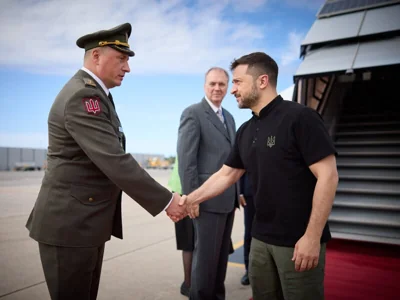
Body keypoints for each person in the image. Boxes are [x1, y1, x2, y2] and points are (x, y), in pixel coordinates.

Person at [25, 23, 186, 300]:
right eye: (122, 59)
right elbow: (114, 160)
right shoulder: (83, 95)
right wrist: (167, 200)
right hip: (71, 226)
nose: (127, 68)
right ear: (97, 56)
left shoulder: (98, 96)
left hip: (84, 223)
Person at [182, 52, 339, 300]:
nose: (232, 90)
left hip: (297, 243)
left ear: (262, 81)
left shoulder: (301, 118)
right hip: (260, 240)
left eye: (237, 82)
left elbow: (328, 177)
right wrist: (192, 198)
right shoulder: (246, 129)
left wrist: (312, 236)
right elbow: (227, 174)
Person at [177, 67, 239, 300]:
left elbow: (232, 160)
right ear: (205, 85)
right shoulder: (193, 114)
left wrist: (238, 192)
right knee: (204, 262)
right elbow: (187, 161)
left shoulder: (230, 118)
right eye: (212, 84)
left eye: (222, 84)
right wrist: (193, 198)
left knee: (220, 259)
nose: (217, 88)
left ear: (227, 87)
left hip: (227, 199)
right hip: (206, 201)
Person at [167, 156, 193, 297]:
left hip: (181, 189)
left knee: (188, 243)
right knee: (190, 243)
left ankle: (188, 283)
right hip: (187, 191)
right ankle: (189, 284)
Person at [239, 172, 255, 286]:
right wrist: (239, 192)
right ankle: (249, 270)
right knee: (249, 233)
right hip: (249, 193)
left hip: (273, 192)